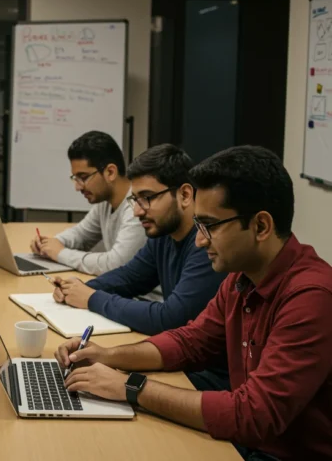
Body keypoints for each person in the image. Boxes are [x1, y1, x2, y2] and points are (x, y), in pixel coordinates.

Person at [54, 146, 332, 461]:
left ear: (261, 227)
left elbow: (254, 416)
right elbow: (190, 342)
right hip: (246, 444)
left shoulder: (312, 297)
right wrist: (108, 355)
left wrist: (129, 386)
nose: (199, 240)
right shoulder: (241, 277)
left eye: (210, 226)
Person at [52, 144, 227, 337]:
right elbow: (130, 277)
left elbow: (170, 318)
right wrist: (78, 288)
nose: (137, 211)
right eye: (135, 199)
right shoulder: (163, 234)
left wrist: (92, 298)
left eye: (147, 197)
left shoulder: (207, 244)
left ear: (185, 195)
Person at [30, 131, 146, 276]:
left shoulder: (137, 207)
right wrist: (50, 243)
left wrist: (60, 253)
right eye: (75, 178)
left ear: (110, 172)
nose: (78, 187)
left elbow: (115, 264)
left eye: (83, 177)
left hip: (144, 298)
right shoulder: (105, 202)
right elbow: (81, 235)